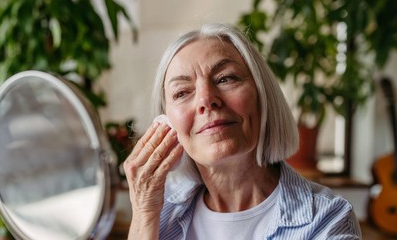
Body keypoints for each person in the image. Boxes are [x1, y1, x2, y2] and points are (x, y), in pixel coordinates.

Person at [123, 23, 361, 239]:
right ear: (167, 124)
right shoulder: (158, 213)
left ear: (262, 95)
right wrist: (144, 214)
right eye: (182, 92)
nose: (206, 100)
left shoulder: (328, 219)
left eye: (226, 78)